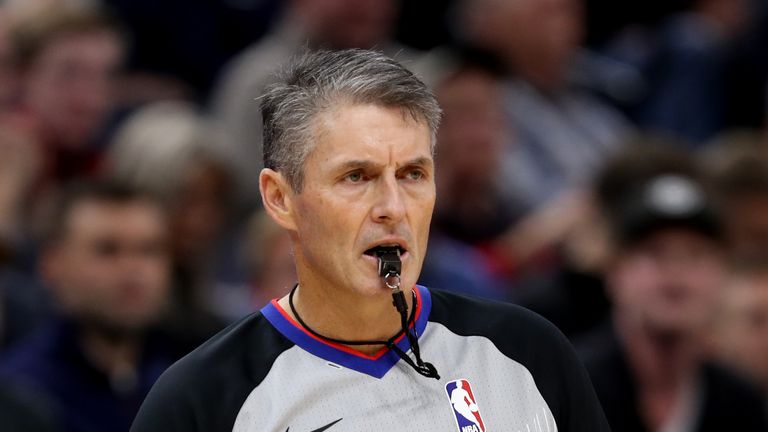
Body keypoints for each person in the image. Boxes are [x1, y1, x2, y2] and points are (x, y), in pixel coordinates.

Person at [132, 49, 609, 432]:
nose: (393, 207)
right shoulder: (204, 400)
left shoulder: (528, 354)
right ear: (280, 199)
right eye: (356, 176)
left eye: (413, 174)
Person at [580, 145, 768, 431]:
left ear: (723, 274)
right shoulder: (571, 385)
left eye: (696, 254)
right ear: (614, 271)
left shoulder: (741, 404)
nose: (675, 272)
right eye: (655, 252)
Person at [0, 180, 176, 432]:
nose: (133, 269)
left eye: (149, 250)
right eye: (107, 250)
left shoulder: (187, 379)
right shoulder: (20, 396)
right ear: (52, 265)